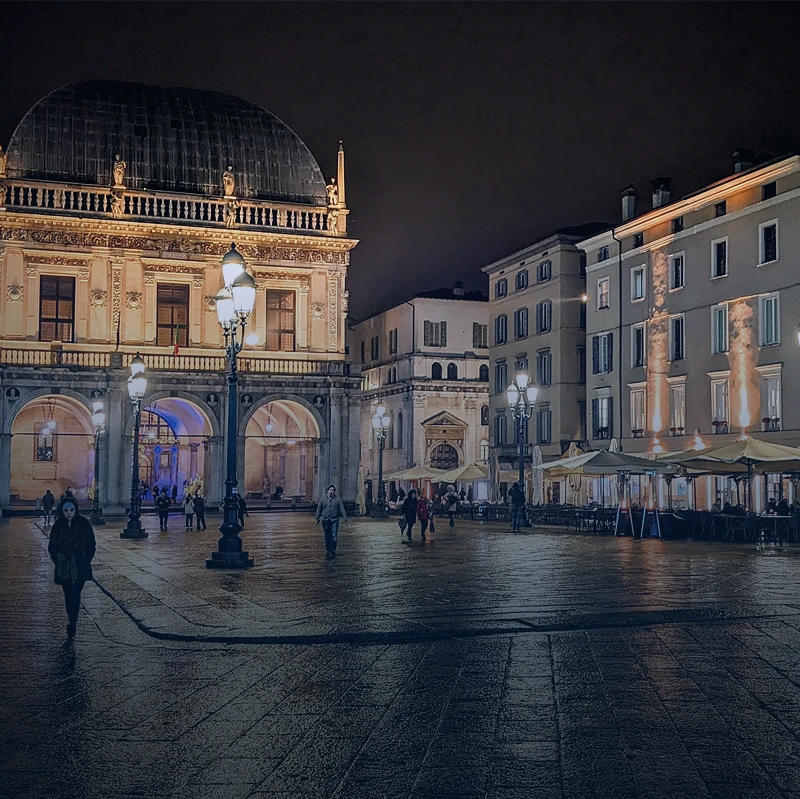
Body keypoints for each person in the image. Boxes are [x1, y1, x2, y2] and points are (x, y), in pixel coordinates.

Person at [48, 499, 96, 638]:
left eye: (71, 510)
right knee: (68, 594)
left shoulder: (84, 524)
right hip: (64, 564)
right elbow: (52, 546)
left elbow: (91, 544)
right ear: (62, 511)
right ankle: (71, 618)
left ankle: (73, 620)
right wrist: (58, 559)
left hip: (80, 563)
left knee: (75, 593)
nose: (69, 513)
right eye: (66, 510)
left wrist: (86, 559)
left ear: (75, 510)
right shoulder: (58, 526)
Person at [315, 484, 348, 558]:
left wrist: (345, 517)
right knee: (327, 536)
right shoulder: (323, 499)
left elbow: (341, 508)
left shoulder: (337, 499)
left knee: (333, 536)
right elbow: (319, 509)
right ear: (327, 491)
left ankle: (333, 549)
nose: (331, 491)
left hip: (334, 519)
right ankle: (328, 549)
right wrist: (317, 518)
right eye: (330, 490)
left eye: (333, 490)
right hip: (325, 519)